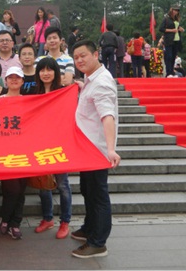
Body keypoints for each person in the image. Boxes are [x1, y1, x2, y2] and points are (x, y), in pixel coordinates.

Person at [71, 39, 121, 258]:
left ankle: (98, 242)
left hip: (97, 150)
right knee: (88, 191)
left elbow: (107, 115)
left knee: (97, 195)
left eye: (83, 55)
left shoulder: (101, 82)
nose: (80, 60)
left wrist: (110, 149)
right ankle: (90, 228)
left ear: (96, 54)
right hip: (86, 149)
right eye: (76, 57)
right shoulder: (92, 79)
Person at [33, 57, 72, 239]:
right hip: (40, 144)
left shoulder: (64, 92)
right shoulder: (34, 94)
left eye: (49, 69)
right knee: (44, 185)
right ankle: (47, 218)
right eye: (42, 70)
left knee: (63, 185)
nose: (46, 73)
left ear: (56, 72)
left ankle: (65, 222)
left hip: (60, 145)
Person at [0, 66, 27, 240]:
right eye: (11, 77)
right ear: (6, 81)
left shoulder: (30, 101)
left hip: (25, 151)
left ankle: (14, 223)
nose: (14, 80)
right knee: (12, 188)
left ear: (23, 81)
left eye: (18, 77)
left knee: (21, 189)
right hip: (4, 152)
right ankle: (6, 218)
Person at [159, 5, 182, 77]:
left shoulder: (176, 19)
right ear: (171, 10)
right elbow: (161, 29)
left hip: (176, 39)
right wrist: (171, 30)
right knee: (168, 56)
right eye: (175, 10)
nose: (176, 12)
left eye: (177, 11)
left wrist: (180, 29)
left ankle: (172, 71)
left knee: (173, 56)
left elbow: (176, 27)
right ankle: (168, 72)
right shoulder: (166, 18)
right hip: (169, 39)